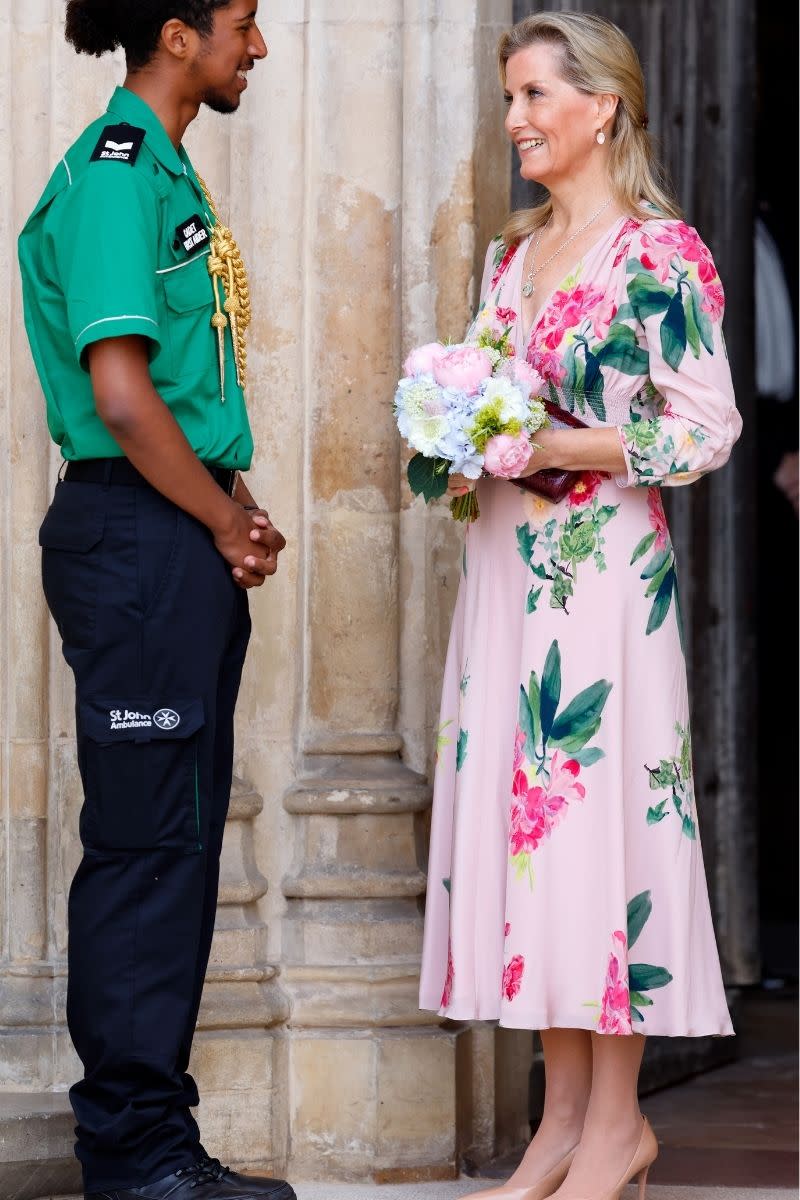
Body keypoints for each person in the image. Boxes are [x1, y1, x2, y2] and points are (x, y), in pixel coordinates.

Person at [418, 12, 740, 1200]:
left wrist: (555, 440)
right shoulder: (512, 257)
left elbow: (702, 426)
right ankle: (557, 1128)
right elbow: (487, 410)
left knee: (599, 832)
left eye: (535, 95)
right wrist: (455, 441)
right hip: (505, 575)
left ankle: (616, 1129)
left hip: (600, 579)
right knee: (533, 848)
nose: (515, 120)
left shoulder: (662, 255)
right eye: (509, 97)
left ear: (602, 107)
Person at [17, 3, 293, 1198]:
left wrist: (224, 503)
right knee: (143, 846)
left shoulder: (161, 169)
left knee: (169, 839)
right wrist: (221, 515)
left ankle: (153, 1145)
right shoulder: (119, 176)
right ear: (176, 35)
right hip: (139, 534)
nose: (258, 46)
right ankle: (133, 1161)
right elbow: (123, 397)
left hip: (163, 531)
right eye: (240, 21)